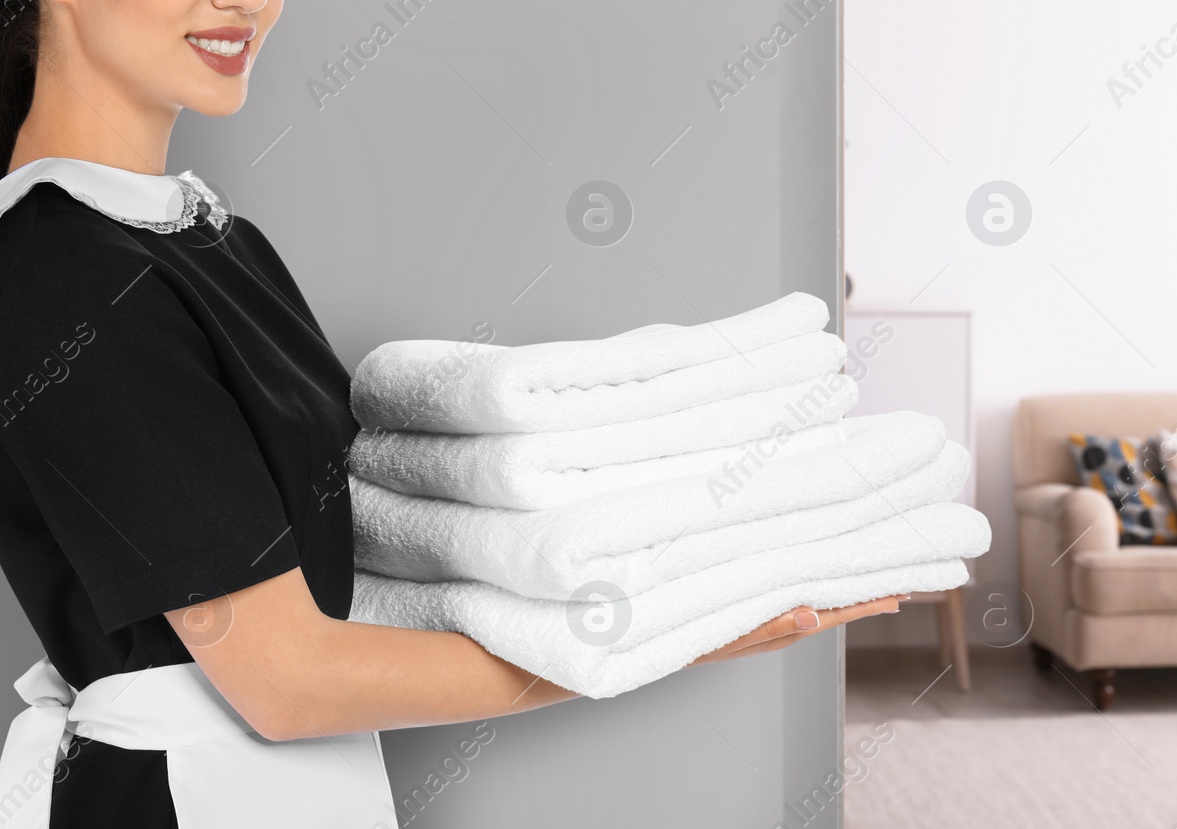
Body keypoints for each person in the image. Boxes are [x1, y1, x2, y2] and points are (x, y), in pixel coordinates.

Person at [0, 1, 901, 826]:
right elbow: (285, 680)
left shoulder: (208, 239)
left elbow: (341, 585)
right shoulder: (63, 270)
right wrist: (658, 639)